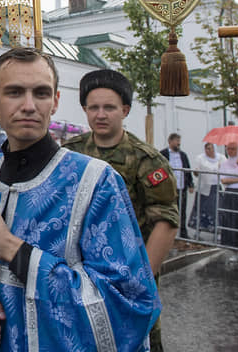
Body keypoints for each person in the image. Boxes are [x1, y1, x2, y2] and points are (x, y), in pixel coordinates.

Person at [0, 48, 160, 350]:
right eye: (14, 92)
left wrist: (15, 250)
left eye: (42, 93)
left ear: (56, 101)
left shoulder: (96, 182)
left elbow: (129, 302)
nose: (29, 106)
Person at [63, 69, 178, 352]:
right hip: (81, 274)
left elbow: (166, 221)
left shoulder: (146, 161)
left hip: (130, 275)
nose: (101, 115)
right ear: (85, 110)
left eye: (109, 108)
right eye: (94, 107)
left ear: (125, 110)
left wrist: (138, 280)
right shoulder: (69, 154)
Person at [160, 133, 192, 238]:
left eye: (179, 141)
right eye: (176, 141)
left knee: (182, 210)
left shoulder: (183, 155)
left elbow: (187, 168)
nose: (178, 144)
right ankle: (168, 233)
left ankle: (183, 232)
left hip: (181, 186)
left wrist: (191, 183)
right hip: (169, 188)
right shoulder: (163, 154)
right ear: (170, 142)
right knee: (169, 210)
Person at [219, 142, 238, 249]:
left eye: (233, 149)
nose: (230, 151)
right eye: (228, 149)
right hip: (230, 194)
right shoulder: (223, 164)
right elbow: (224, 180)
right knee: (230, 220)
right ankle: (230, 247)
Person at [189, 143, 225, 233]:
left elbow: (225, 170)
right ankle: (198, 231)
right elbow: (196, 172)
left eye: (209, 148)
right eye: (206, 149)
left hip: (216, 187)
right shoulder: (200, 158)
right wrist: (196, 172)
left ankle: (217, 232)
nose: (207, 151)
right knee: (201, 208)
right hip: (204, 188)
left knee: (216, 209)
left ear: (214, 149)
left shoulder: (221, 158)